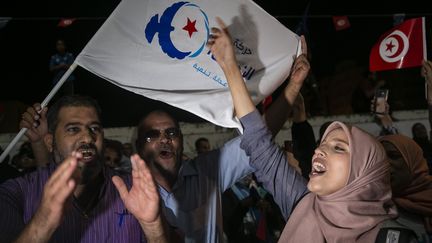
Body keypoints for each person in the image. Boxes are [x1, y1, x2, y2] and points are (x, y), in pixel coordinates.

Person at [207, 17, 416, 242]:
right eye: (321, 144)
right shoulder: (301, 204)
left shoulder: (390, 238)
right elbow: (259, 143)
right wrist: (230, 66)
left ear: (364, 173)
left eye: (338, 147)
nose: (318, 151)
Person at [134, 21, 310, 242]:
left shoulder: (207, 171)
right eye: (153, 135)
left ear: (181, 140)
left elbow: (258, 140)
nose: (164, 140)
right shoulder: (125, 192)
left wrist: (293, 87)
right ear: (139, 147)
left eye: (171, 133)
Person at [0, 95, 170, 242]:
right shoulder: (17, 193)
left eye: (94, 128)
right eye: (73, 129)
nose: (88, 138)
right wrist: (43, 223)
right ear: (50, 142)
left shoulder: (135, 189)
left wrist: (153, 227)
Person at [378, 134, 432, 242]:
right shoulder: (375, 210)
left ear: (413, 159)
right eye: (380, 158)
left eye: (393, 156)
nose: (385, 164)